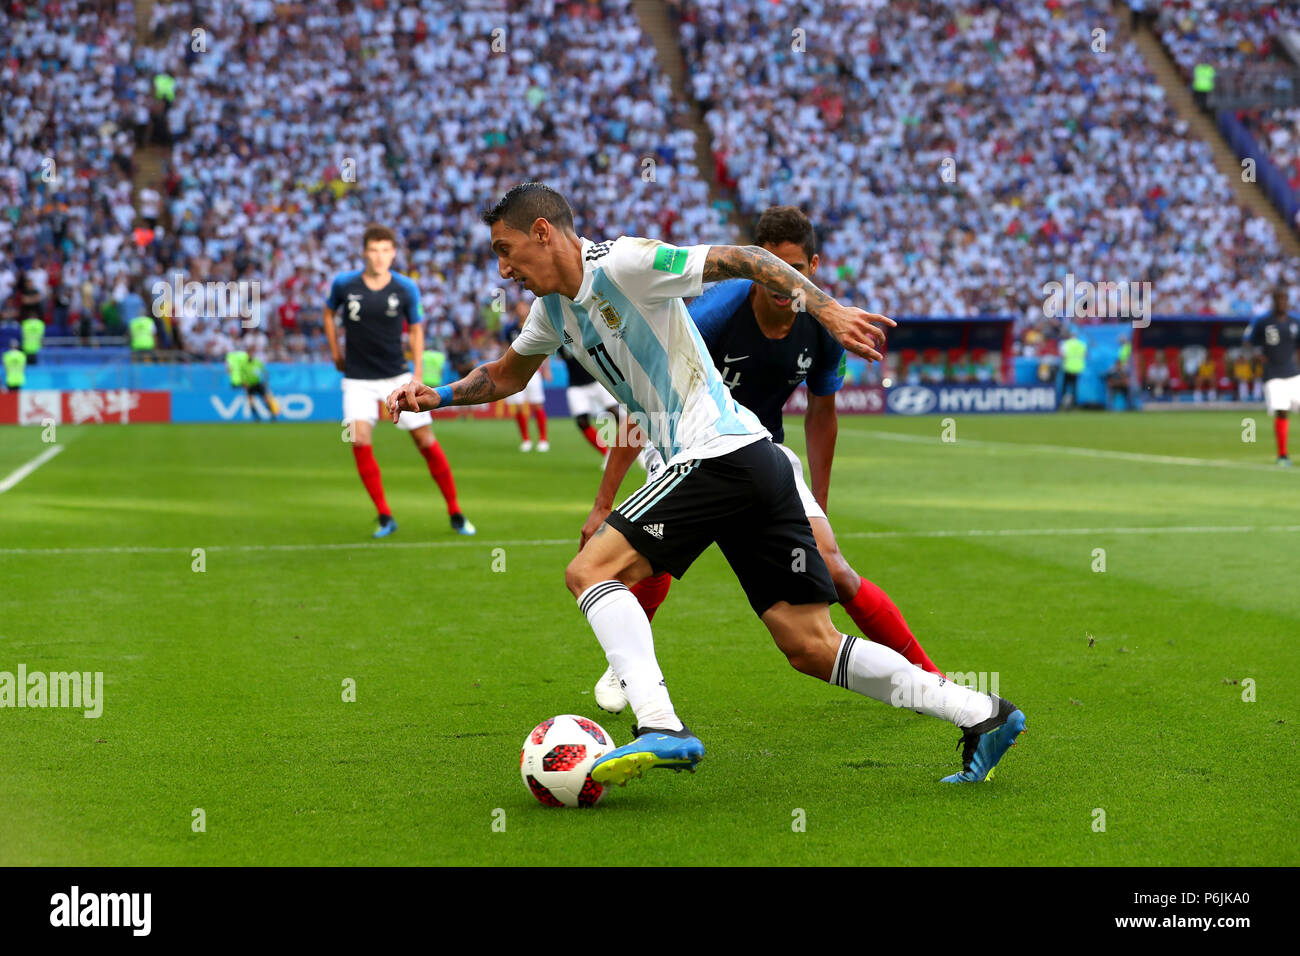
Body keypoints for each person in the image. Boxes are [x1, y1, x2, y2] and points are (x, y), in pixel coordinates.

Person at [387, 183, 1025, 786]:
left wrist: (825, 309)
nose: (503, 269)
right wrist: (435, 395)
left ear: (543, 232)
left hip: (715, 452)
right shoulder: (551, 311)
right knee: (809, 644)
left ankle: (659, 724)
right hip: (749, 462)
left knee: (590, 571)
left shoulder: (627, 263)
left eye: (505, 250)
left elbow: (747, 259)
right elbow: (505, 375)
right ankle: (982, 713)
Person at [588, 205, 942, 717]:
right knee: (653, 554)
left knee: (836, 569)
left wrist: (820, 502)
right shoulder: (713, 315)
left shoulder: (824, 324)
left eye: (793, 269)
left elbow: (822, 414)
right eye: (769, 268)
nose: (781, 282)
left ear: (813, 266)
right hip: (683, 444)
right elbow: (646, 398)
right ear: (754, 265)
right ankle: (627, 667)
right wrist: (604, 499)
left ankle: (932, 681)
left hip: (761, 453)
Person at [324, 223, 475, 537]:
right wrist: (335, 351)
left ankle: (455, 511)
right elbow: (328, 313)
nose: (379, 257)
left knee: (425, 441)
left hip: (397, 376)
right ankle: (384, 515)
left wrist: (417, 374)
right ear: (364, 253)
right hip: (357, 378)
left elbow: (417, 329)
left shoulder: (406, 288)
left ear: (393, 253)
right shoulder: (344, 284)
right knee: (358, 440)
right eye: (373, 250)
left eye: (385, 250)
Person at [1244, 287, 1300, 466]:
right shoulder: (1262, 322)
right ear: (1274, 301)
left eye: (1285, 299)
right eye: (1279, 299)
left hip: (1293, 372)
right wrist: (1256, 354)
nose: (1282, 302)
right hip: (1273, 373)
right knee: (1282, 410)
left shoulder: (1295, 321)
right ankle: (1282, 455)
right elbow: (1248, 342)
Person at [500, 301, 550, 451]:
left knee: (537, 404)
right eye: (519, 308)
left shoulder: (536, 324)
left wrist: (546, 369)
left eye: (524, 307)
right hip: (515, 372)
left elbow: (546, 346)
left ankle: (543, 439)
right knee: (519, 406)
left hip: (533, 370)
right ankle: (526, 439)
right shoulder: (510, 329)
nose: (521, 310)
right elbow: (505, 349)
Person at [560, 344, 616, 459]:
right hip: (576, 386)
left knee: (616, 412)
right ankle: (607, 454)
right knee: (582, 422)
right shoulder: (559, 338)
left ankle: (636, 450)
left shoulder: (584, 334)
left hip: (597, 380)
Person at [1060, 329, 1086, 409]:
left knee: (1065, 386)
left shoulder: (1066, 344)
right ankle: (1074, 404)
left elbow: (1063, 355)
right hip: (1077, 368)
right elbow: (1084, 355)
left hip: (1068, 367)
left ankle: (1064, 403)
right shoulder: (1081, 344)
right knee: (1075, 387)